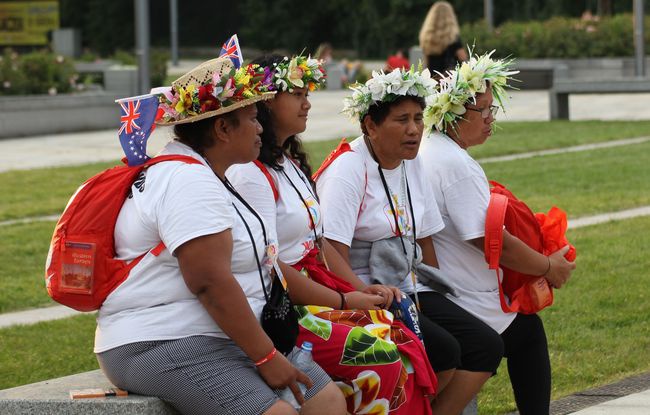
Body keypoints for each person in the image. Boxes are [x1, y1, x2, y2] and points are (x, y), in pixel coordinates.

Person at [94, 56, 346, 415]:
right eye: (252, 119)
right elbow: (209, 282)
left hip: (215, 333)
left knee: (327, 400)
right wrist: (266, 356)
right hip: (159, 340)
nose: (261, 127)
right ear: (222, 130)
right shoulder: (188, 181)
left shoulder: (209, 172)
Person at [228, 53, 437, 414]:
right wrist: (344, 301)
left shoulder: (286, 163)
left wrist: (358, 290)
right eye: (296, 94)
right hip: (288, 303)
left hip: (317, 285)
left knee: (401, 333)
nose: (307, 103)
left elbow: (320, 244)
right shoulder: (251, 175)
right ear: (265, 102)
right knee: (384, 355)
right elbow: (272, 269)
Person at [315, 66, 504, 415]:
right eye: (401, 119)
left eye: (418, 117)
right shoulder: (347, 170)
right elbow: (329, 252)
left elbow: (425, 238)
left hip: (410, 289)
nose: (414, 129)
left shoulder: (409, 161)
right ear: (370, 126)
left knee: (486, 344)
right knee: (445, 350)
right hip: (365, 291)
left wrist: (436, 292)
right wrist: (361, 296)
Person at [420, 51, 577, 414]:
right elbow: (490, 241)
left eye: (493, 109)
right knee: (526, 335)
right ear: (455, 113)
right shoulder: (455, 163)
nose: (492, 119)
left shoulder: (433, 149)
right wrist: (547, 267)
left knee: (522, 335)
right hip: (462, 295)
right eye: (484, 111)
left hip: (447, 286)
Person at [419, 1, 468, 74]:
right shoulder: (453, 39)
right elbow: (464, 60)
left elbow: (427, 63)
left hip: (433, 80)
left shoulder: (427, 38)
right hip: (450, 80)